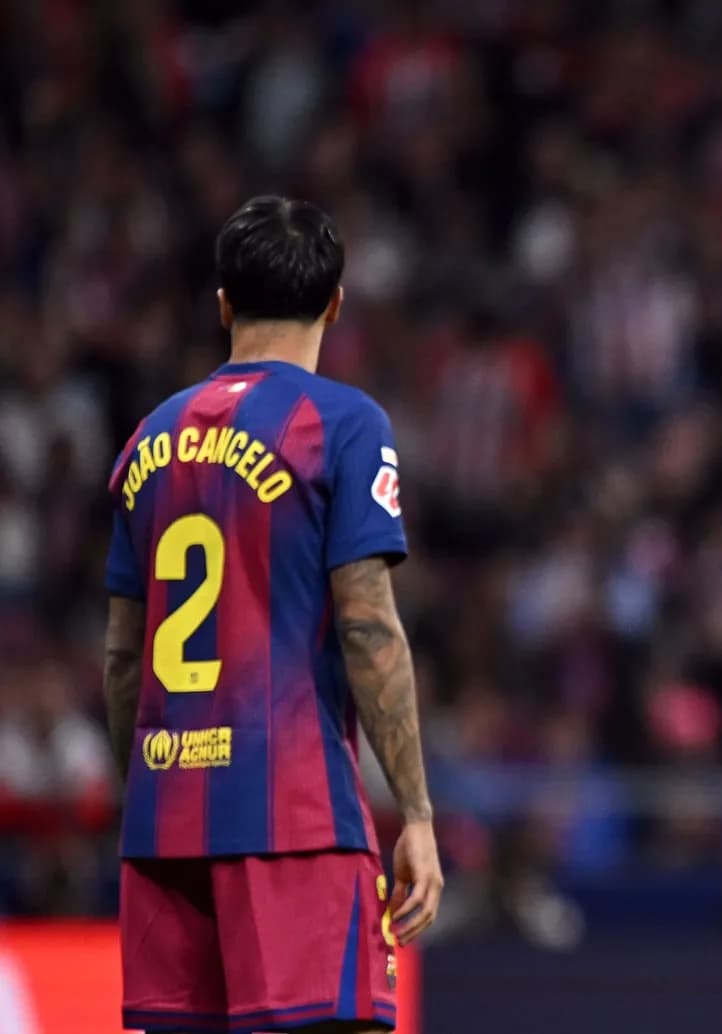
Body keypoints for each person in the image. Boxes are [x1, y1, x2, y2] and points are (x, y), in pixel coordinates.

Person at [103, 196, 443, 1034]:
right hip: (294, 821)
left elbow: (121, 658)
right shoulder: (344, 423)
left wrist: (145, 793)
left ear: (222, 302)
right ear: (335, 302)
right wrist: (420, 816)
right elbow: (367, 625)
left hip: (166, 825)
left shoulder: (150, 437)